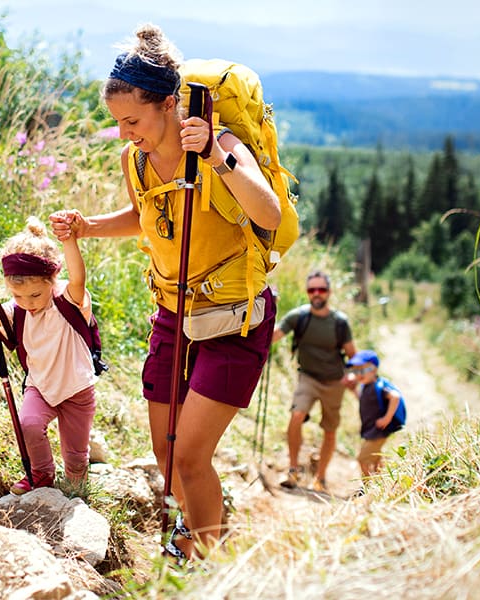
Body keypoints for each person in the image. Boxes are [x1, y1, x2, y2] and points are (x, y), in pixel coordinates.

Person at [49, 23, 280, 562]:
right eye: (118, 123)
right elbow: (145, 215)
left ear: (171, 104)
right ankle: (198, 533)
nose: (126, 133)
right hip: (173, 313)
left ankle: (208, 562)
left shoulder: (220, 144)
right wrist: (87, 227)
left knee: (193, 456)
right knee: (167, 453)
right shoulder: (136, 158)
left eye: (133, 120)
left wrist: (219, 160)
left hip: (234, 318)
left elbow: (266, 211)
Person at [0, 217, 97, 495]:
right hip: (40, 385)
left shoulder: (68, 299)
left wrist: (69, 241)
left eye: (36, 295)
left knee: (76, 455)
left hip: (77, 388)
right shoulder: (18, 310)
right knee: (28, 424)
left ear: (52, 280)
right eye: (18, 295)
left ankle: (77, 490)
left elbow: (78, 277)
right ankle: (41, 475)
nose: (29, 303)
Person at [270, 270, 357, 492]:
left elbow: (353, 355)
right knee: (296, 415)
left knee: (329, 430)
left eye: (321, 289)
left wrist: (357, 379)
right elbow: (274, 335)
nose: (316, 294)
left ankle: (321, 477)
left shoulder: (339, 322)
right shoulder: (298, 317)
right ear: (307, 292)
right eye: (312, 290)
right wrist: (268, 309)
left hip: (334, 382)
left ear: (329, 292)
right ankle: (293, 470)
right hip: (307, 377)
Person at [344, 349, 405, 477]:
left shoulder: (379, 386)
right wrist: (353, 390)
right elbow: (364, 401)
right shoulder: (366, 387)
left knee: (362, 460)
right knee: (376, 459)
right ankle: (381, 481)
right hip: (371, 430)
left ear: (374, 370)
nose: (358, 375)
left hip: (379, 430)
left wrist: (387, 418)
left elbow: (395, 397)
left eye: (362, 371)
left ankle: (368, 486)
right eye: (355, 371)